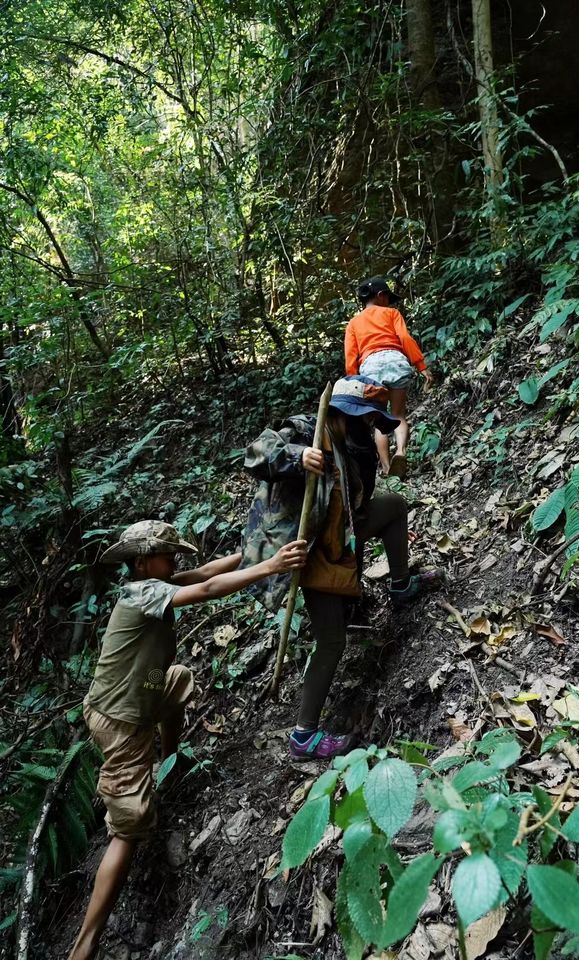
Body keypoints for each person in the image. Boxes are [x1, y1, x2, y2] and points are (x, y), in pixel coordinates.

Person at [68, 520, 306, 960]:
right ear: (141, 563)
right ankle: (85, 944)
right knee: (129, 825)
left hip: (143, 693)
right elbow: (208, 590)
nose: (175, 562)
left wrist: (252, 553)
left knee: (176, 681)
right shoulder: (141, 594)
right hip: (120, 719)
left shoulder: (155, 584)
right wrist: (270, 565)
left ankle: (169, 762)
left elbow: (203, 574)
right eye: (167, 555)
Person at [241, 375, 437, 762]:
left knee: (393, 505)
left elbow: (353, 508)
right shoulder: (304, 429)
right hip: (307, 552)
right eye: (362, 417)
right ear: (341, 414)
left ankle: (400, 585)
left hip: (340, 537)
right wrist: (296, 457)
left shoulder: (354, 445)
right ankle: (304, 735)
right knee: (331, 641)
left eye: (371, 420)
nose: (368, 426)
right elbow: (256, 454)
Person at [344, 276, 433, 479]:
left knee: (379, 419)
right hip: (395, 360)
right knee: (399, 415)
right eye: (388, 297)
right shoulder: (392, 313)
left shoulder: (353, 323)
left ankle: (385, 467)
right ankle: (400, 452)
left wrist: (353, 381)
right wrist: (421, 365)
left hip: (371, 367)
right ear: (381, 295)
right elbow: (404, 338)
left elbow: (351, 356)